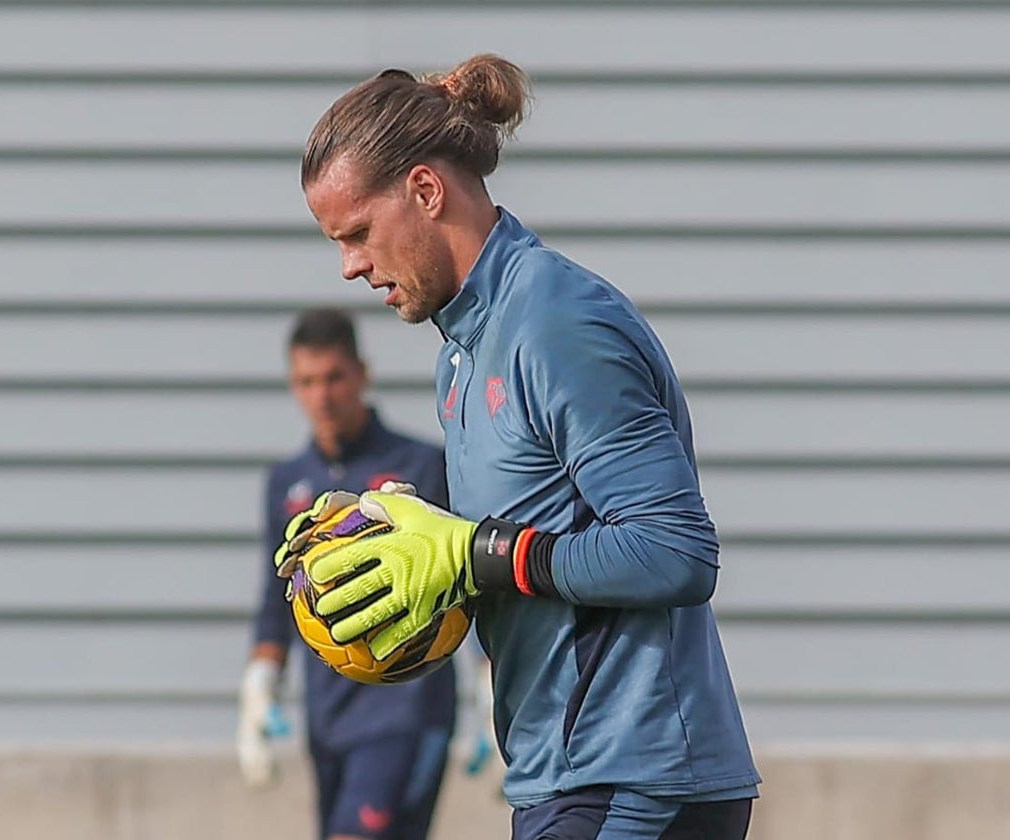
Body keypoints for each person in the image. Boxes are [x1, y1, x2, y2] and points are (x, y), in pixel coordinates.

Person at [278, 54, 762, 839]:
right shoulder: (462, 353)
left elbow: (676, 552)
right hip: (562, 781)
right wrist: (399, 549)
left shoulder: (557, 323)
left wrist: (472, 554)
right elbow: (519, 548)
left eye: (359, 233)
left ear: (426, 192)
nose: (350, 266)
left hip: (634, 780)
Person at [238, 307, 459, 840]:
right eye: (308, 381)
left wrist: (492, 687)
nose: (323, 395)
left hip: (405, 708)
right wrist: (258, 688)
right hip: (329, 713)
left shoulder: (421, 466)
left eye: (334, 377)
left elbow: (461, 582)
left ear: (362, 373)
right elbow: (277, 599)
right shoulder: (288, 482)